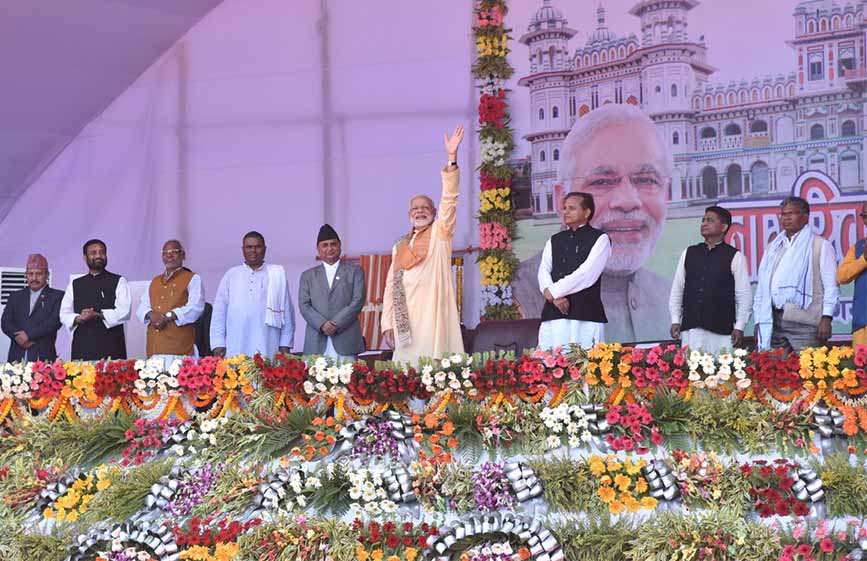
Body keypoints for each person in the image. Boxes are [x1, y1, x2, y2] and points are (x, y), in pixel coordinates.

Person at [513, 104, 673, 343]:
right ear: (561, 199)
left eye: (646, 179)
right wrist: (550, 291)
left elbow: (586, 273)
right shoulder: (517, 292)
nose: (628, 201)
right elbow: (549, 270)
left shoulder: (669, 295)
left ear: (666, 194)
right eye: (602, 182)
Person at [381, 125, 466, 364]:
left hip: (432, 318)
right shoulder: (400, 245)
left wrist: (451, 159)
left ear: (434, 212)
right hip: (404, 322)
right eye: (415, 208)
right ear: (409, 213)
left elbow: (450, 199)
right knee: (405, 379)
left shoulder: (441, 233)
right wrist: (387, 322)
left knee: (433, 376)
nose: (419, 211)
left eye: (424, 207)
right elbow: (390, 285)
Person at [753, 196, 839, 352]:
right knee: (774, 372)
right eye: (783, 214)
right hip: (775, 321)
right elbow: (763, 286)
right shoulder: (774, 247)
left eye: (791, 213)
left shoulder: (820, 245)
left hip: (805, 321)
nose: (786, 218)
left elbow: (831, 286)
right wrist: (759, 320)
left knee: (810, 372)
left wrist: (827, 318)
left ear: (805, 217)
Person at [668, 206, 752, 354]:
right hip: (691, 330)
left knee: (721, 374)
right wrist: (675, 319)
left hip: (722, 333)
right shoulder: (689, 253)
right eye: (703, 220)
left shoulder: (735, 257)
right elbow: (677, 289)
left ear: (724, 227)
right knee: (692, 374)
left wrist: (739, 327)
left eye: (710, 220)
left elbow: (743, 296)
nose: (704, 223)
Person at [537, 192, 610, 350]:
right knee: (551, 366)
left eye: (572, 208)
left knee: (585, 367)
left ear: (587, 212)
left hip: (586, 314)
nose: (566, 212)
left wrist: (554, 291)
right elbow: (543, 270)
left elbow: (587, 274)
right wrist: (553, 297)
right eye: (564, 208)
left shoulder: (600, 239)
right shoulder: (555, 239)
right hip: (554, 312)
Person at [210, 231, 294, 357]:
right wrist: (218, 343)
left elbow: (287, 312)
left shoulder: (277, 274)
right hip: (236, 344)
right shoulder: (231, 275)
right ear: (243, 250)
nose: (253, 250)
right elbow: (219, 312)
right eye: (249, 247)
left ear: (264, 249)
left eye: (257, 247)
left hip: (268, 343)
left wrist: (285, 344)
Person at [298, 224, 366, 361]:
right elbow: (304, 305)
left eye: (333, 244)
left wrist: (335, 323)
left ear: (340, 246)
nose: (330, 248)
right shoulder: (308, 276)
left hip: (346, 339)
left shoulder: (355, 271)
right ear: (318, 249)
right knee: (315, 382)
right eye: (325, 245)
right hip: (316, 341)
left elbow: (357, 301)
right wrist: (322, 324)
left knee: (348, 381)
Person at [59, 239, 131, 360]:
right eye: (93, 253)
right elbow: (64, 313)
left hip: (112, 345)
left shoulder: (119, 280)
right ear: (85, 257)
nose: (98, 256)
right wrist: (78, 318)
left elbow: (125, 311)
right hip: (82, 346)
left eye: (102, 252)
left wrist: (98, 315)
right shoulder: (75, 284)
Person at [135, 240, 205, 360]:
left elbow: (196, 308)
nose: (169, 255)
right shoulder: (154, 281)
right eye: (165, 253)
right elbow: (142, 307)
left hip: (179, 348)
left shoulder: (193, 278)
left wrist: (170, 316)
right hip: (154, 347)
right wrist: (151, 314)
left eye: (174, 252)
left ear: (183, 255)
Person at [0, 254, 63, 361]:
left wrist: (28, 335)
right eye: (30, 274)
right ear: (26, 275)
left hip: (44, 358)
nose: (34, 278)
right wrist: (18, 337)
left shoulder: (57, 296)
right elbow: (5, 322)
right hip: (16, 357)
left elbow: (54, 322)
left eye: (38, 274)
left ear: (46, 275)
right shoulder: (15, 296)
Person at [836, 202, 867, 347]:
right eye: (865, 216)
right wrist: (864, 259)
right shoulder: (859, 247)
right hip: (862, 322)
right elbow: (841, 276)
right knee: (862, 367)